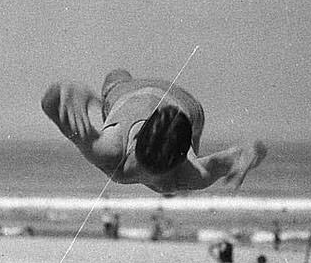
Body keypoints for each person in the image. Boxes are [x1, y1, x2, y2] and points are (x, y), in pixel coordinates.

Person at [41, 69, 267, 195]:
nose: (144, 178)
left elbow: (246, 153)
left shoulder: (192, 174)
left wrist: (254, 153)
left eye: (157, 176)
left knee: (174, 187)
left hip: (186, 105)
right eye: (143, 167)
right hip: (127, 93)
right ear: (136, 142)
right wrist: (65, 89)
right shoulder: (109, 149)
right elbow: (51, 105)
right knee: (115, 78)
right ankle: (115, 84)